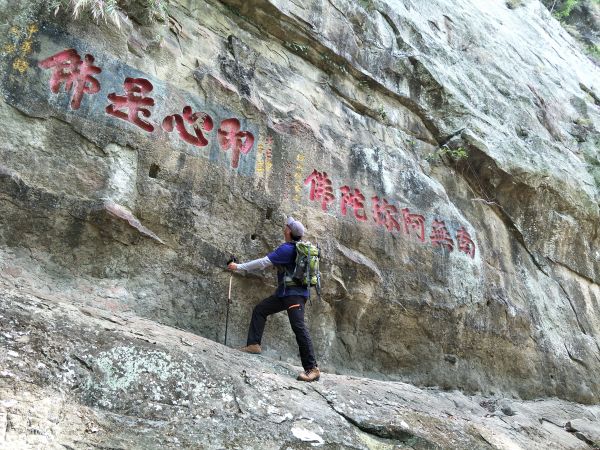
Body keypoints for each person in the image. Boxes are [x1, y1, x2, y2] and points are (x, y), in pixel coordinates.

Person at [227, 216, 320, 382]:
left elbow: (263, 262)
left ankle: (312, 368)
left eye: (287, 226)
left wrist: (238, 267)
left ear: (289, 232)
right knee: (261, 309)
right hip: (284, 293)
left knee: (299, 327)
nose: (284, 228)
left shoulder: (287, 249)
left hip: (294, 296)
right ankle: (253, 345)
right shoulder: (294, 248)